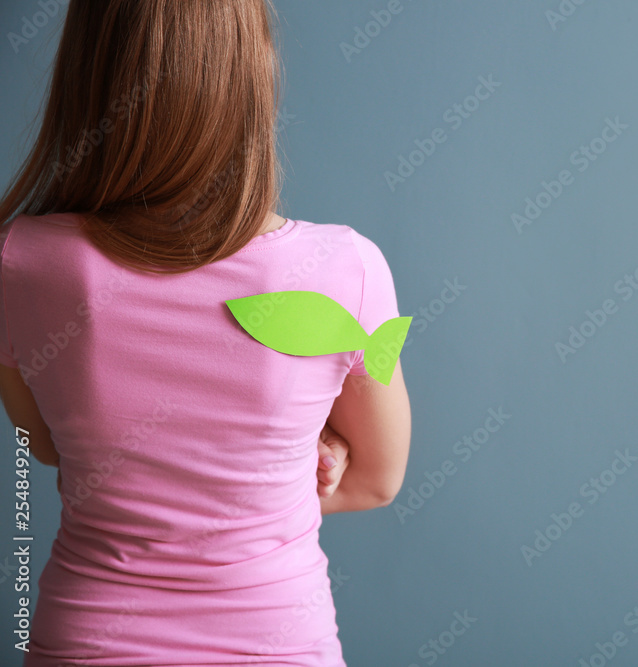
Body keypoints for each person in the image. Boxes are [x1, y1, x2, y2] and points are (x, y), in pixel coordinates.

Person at [0, 1, 411, 665]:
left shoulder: (20, 261)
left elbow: (48, 444)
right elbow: (377, 479)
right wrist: (283, 461)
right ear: (253, 71)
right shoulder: (345, 269)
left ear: (88, 71)